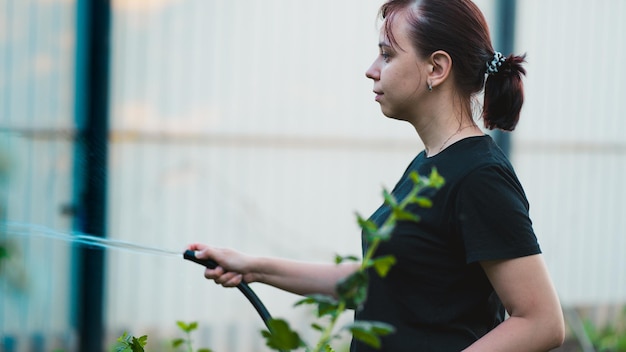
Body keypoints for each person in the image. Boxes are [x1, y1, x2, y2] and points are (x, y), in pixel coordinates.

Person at [188, 0, 566, 350]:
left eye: (387, 55)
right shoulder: (429, 163)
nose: (371, 70)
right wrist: (252, 267)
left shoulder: (479, 177)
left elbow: (541, 321)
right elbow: (376, 281)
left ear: (436, 68)